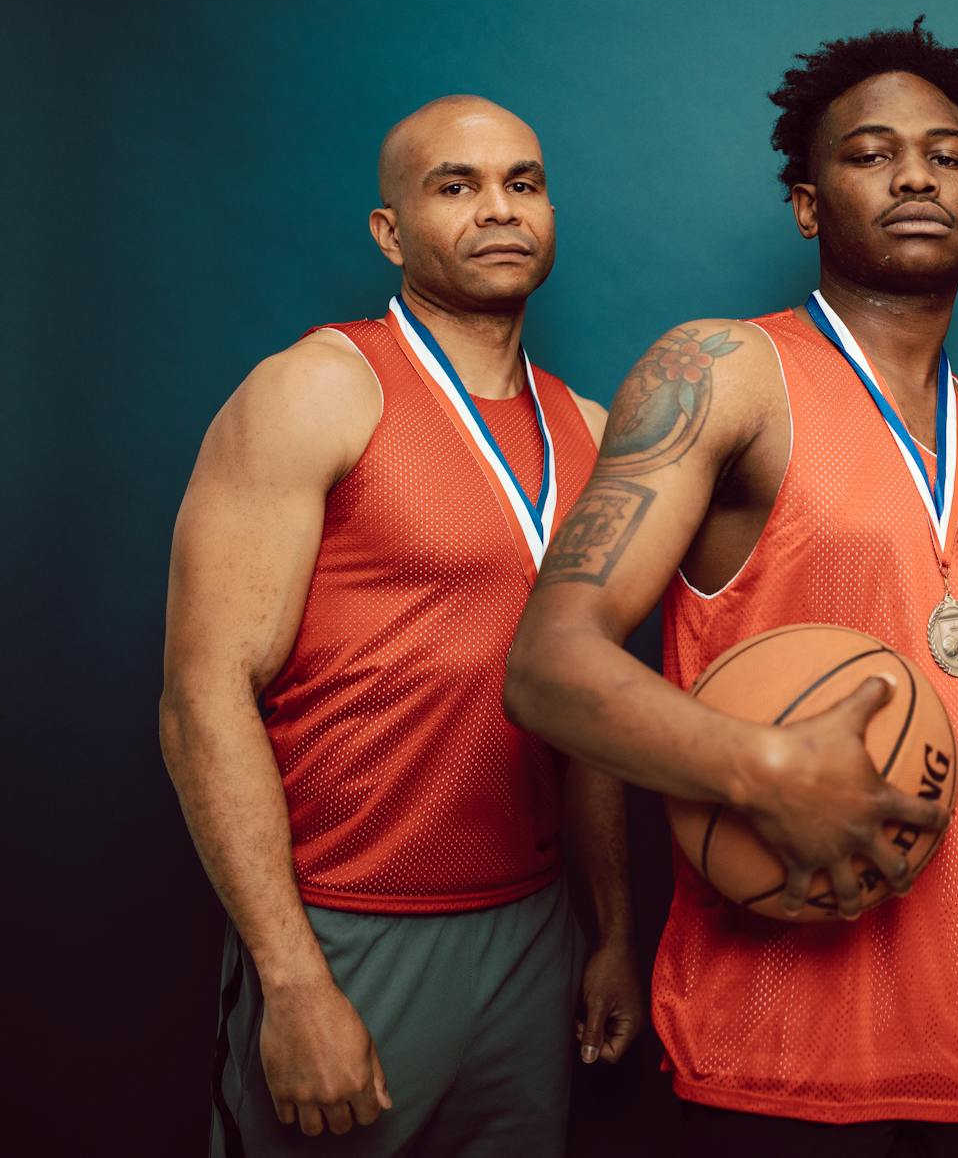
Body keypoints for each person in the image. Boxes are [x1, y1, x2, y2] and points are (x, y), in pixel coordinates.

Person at [505, 21, 958, 1158]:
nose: (912, 177)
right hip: (773, 1048)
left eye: (945, 157)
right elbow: (547, 666)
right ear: (805, 203)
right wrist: (766, 767)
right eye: (870, 152)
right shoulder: (724, 372)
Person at [159, 95, 641, 1156]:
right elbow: (203, 695)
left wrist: (609, 931)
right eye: (455, 185)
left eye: (522, 182)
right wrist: (291, 980)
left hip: (529, 932)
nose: (498, 208)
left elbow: (593, 710)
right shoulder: (316, 389)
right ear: (389, 231)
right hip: (346, 925)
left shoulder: (594, 432)